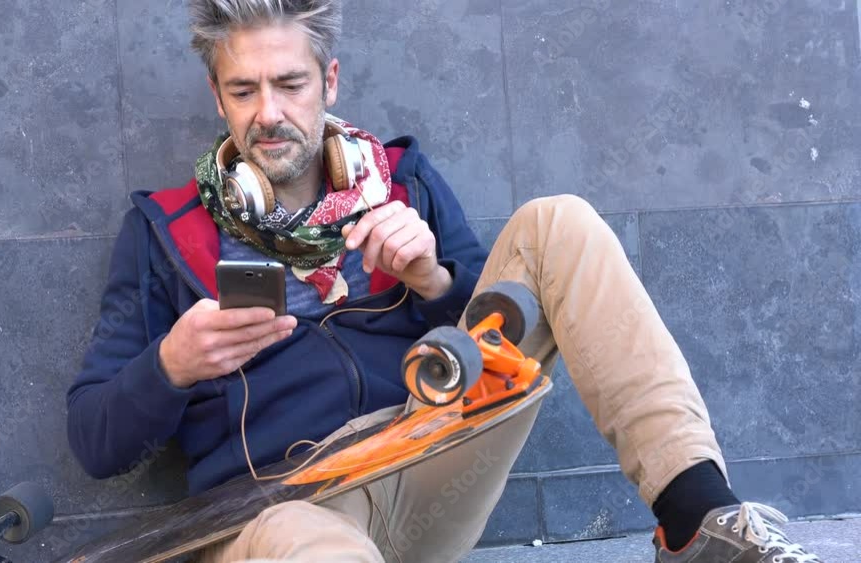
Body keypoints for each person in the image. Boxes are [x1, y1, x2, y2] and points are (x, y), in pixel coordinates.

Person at [65, 1, 824, 561]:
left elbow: (500, 324)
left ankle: (693, 520)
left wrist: (432, 279)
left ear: (328, 80)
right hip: (283, 508)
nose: (269, 113)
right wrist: (172, 364)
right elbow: (96, 439)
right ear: (216, 96)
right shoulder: (163, 231)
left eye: (290, 83)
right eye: (243, 90)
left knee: (557, 221)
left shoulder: (403, 182)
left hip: (432, 453)